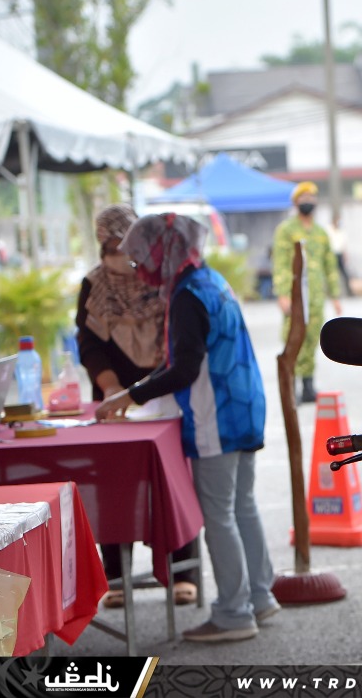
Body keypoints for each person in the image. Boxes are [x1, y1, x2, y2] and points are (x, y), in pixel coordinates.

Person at [95, 212, 280, 643]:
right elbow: (183, 357)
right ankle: (259, 596)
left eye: (142, 260)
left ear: (163, 252)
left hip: (217, 414)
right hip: (243, 406)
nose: (139, 271)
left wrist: (130, 396)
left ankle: (234, 614)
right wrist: (138, 389)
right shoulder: (208, 280)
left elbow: (184, 369)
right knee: (242, 505)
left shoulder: (186, 296)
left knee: (220, 514)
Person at [75, 204, 199, 610]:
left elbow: (180, 342)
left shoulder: (162, 280)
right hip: (114, 398)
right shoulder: (93, 285)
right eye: (109, 245)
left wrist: (149, 388)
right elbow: (89, 343)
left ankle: (183, 571)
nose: (117, 252)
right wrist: (113, 390)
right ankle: (115, 577)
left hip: (164, 391)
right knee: (112, 484)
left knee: (173, 480)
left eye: (123, 243)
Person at [272, 181, 343, 403]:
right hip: (295, 297)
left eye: (311, 199)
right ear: (295, 203)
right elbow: (281, 263)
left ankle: (307, 386)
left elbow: (330, 265)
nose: (308, 203)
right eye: (303, 200)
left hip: (315, 298)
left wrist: (335, 295)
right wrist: (282, 294)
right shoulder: (286, 230)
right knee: (293, 338)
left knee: (312, 339)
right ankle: (290, 385)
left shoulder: (321, 233)